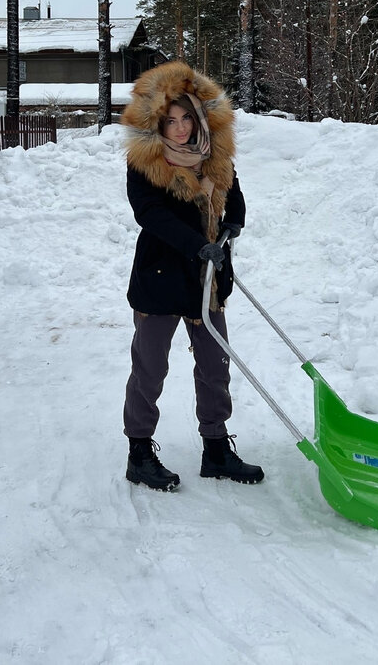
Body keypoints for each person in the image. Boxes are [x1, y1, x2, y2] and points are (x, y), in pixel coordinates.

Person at [120, 59, 264, 492]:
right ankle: (139, 452)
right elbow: (150, 213)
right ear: (158, 124)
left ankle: (216, 448)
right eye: (171, 120)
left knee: (214, 365)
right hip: (162, 276)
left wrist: (232, 224)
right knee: (150, 368)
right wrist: (193, 243)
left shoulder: (212, 156)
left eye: (187, 118)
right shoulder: (145, 163)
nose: (181, 128)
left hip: (208, 279)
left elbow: (233, 196)